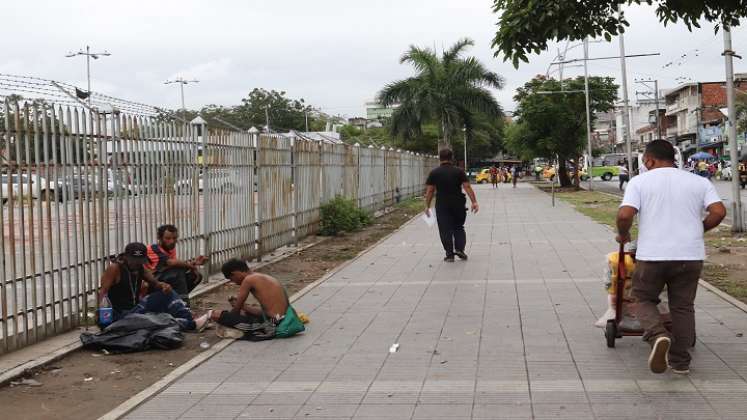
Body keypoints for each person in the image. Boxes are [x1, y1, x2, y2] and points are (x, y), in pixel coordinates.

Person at [616, 140, 726, 375]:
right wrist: (699, 229)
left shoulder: (639, 182)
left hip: (652, 255)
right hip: (690, 255)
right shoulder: (699, 181)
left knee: (641, 298)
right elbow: (718, 212)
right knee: (683, 307)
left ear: (649, 160)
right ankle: (680, 362)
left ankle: (658, 335)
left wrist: (623, 234)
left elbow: (625, 214)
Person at [99, 242, 209, 331]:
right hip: (120, 315)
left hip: (134, 309)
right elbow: (103, 293)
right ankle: (191, 324)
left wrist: (164, 286)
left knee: (167, 295)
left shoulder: (140, 268)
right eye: (133, 261)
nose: (136, 264)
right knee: (157, 321)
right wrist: (102, 318)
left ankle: (188, 318)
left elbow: (156, 283)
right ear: (126, 257)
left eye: (139, 261)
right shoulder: (115, 268)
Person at [208, 259, 304, 340]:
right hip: (281, 319)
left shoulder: (248, 280)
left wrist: (229, 315)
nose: (234, 282)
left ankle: (242, 332)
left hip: (274, 324)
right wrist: (244, 308)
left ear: (235, 273)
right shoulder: (262, 276)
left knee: (215, 315)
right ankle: (242, 330)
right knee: (243, 312)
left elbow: (235, 312)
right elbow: (268, 312)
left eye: (232, 279)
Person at [424, 148, 479, 262]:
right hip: (458, 204)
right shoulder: (459, 171)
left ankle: (449, 254)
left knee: (445, 229)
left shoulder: (434, 173)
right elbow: (467, 187)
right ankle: (459, 249)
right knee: (458, 227)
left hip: (442, 205)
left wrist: (427, 206)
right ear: (451, 158)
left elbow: (430, 191)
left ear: (440, 158)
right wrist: (474, 202)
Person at [146, 224, 207, 305]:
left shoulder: (170, 248)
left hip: (162, 280)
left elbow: (169, 267)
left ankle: (174, 302)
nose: (172, 241)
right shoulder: (153, 249)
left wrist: (194, 263)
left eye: (174, 238)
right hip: (150, 283)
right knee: (178, 271)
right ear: (159, 238)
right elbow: (171, 263)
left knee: (195, 276)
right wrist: (192, 267)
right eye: (168, 238)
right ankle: (183, 304)